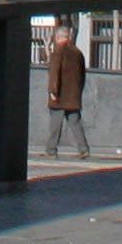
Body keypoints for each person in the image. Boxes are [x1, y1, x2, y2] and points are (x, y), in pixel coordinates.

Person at [44, 23, 90, 158]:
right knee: (75, 122)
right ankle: (83, 149)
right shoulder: (78, 53)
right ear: (68, 37)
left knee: (55, 125)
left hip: (59, 96)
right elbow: (82, 75)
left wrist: (53, 91)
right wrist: (78, 92)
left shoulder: (57, 51)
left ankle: (51, 150)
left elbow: (54, 73)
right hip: (73, 96)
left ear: (57, 37)